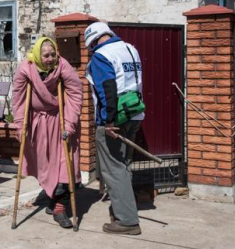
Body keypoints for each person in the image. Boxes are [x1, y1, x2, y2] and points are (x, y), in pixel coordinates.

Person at [12, 36, 83, 229]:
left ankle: (60, 207)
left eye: (53, 54)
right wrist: (20, 125)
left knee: (65, 164)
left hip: (61, 120)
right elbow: (18, 98)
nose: (51, 58)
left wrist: (69, 124)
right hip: (38, 123)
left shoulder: (63, 66)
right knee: (45, 164)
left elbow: (75, 93)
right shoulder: (26, 68)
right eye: (46, 55)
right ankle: (52, 197)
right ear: (37, 55)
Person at [84, 21, 144, 235]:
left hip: (114, 119)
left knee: (113, 168)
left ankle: (127, 221)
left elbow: (107, 88)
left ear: (93, 41)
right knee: (124, 164)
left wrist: (108, 122)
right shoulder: (130, 49)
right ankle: (124, 208)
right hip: (135, 114)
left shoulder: (101, 55)